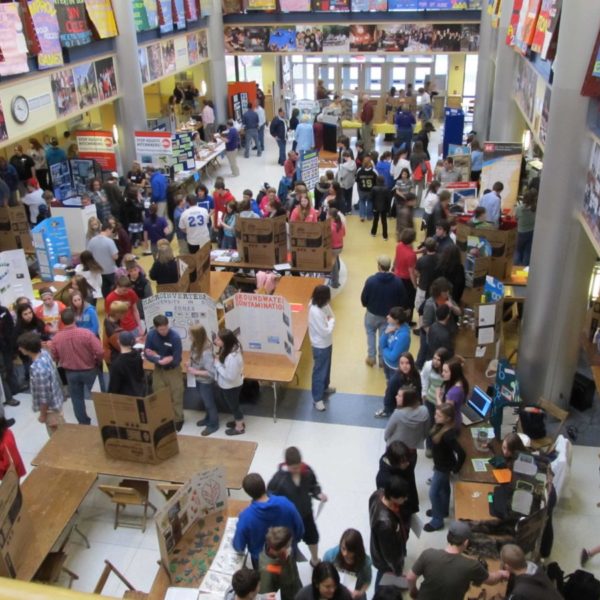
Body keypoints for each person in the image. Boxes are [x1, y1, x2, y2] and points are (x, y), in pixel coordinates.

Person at [406, 521, 508, 599]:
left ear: (448, 537)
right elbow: (491, 580)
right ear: (466, 542)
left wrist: (413, 592)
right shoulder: (471, 566)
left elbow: (410, 578)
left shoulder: (428, 554)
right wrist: (502, 573)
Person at [268, 446, 328, 567]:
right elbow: (270, 496)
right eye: (293, 468)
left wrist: (318, 494)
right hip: (288, 519)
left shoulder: (307, 472)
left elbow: (314, 486)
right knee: (288, 542)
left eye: (298, 466)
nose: (296, 470)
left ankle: (315, 560)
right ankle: (288, 562)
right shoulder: (279, 479)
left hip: (306, 514)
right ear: (287, 464)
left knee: (313, 537)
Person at [233, 473, 304, 569]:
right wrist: (293, 543)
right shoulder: (285, 503)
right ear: (265, 485)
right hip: (287, 553)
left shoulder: (246, 517)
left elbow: (239, 546)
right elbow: (300, 529)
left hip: (264, 564)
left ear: (248, 493)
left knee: (266, 581)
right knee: (288, 576)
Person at [50, 309, 103, 425]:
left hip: (70, 373)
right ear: (74, 319)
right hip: (90, 370)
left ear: (62, 321)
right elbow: (99, 351)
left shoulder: (56, 338)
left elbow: (53, 356)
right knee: (98, 397)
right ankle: (104, 419)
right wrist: (97, 361)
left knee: (77, 399)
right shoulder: (86, 333)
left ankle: (83, 423)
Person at [360, 256, 407, 368]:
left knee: (370, 333)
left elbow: (364, 298)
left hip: (372, 314)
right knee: (384, 337)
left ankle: (371, 357)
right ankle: (382, 360)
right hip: (388, 317)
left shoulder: (371, 280)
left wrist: (367, 305)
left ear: (379, 266)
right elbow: (403, 299)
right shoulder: (397, 282)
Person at [425, 403, 465, 531]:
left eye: (439, 415)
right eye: (436, 414)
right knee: (443, 489)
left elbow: (461, 453)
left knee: (433, 493)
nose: (435, 417)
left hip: (443, 467)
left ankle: (437, 520)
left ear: (448, 418)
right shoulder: (440, 426)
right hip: (440, 464)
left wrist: (456, 469)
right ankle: (442, 510)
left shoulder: (448, 435)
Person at [17, 332, 65, 436]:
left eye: (21, 347)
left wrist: (42, 415)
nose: (19, 349)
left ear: (27, 349)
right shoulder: (44, 354)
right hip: (57, 403)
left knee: (57, 438)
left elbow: (44, 397)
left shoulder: (38, 370)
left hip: (51, 411)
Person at [368, 476, 409, 590]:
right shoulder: (385, 524)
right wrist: (396, 569)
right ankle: (389, 588)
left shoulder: (377, 494)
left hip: (379, 548)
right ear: (392, 497)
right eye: (403, 497)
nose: (405, 499)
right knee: (385, 574)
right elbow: (390, 555)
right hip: (385, 560)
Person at [144, 315, 184, 431]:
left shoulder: (175, 337)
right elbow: (147, 353)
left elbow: (176, 358)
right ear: (156, 328)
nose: (164, 331)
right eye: (161, 329)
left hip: (173, 370)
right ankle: (164, 418)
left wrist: (158, 356)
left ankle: (178, 419)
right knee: (159, 394)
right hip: (159, 369)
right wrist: (160, 359)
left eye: (166, 328)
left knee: (176, 395)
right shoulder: (151, 335)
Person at [417, 277, 460, 369]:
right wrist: (435, 336)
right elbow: (426, 324)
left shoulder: (448, 299)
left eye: (448, 291)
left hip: (445, 333)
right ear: (438, 292)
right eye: (445, 292)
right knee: (424, 354)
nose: (447, 293)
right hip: (431, 335)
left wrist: (452, 307)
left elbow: (459, 312)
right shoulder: (430, 304)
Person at [375, 441, 419, 529]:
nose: (408, 463)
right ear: (394, 462)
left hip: (407, 506)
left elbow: (411, 484)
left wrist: (414, 506)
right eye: (404, 462)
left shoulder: (406, 465)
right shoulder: (384, 479)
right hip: (398, 513)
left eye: (408, 460)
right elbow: (387, 501)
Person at [308, 285, 335, 412]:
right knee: (319, 371)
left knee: (326, 368)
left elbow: (331, 315)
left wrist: (330, 321)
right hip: (320, 346)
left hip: (327, 343)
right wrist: (330, 323)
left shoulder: (323, 305)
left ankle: (325, 387)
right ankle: (317, 399)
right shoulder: (315, 312)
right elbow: (325, 331)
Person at [323, 530, 372, 599]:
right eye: (343, 548)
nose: (345, 553)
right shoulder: (330, 556)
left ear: (357, 550)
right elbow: (324, 574)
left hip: (354, 592)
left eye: (350, 550)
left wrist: (360, 592)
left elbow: (367, 580)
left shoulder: (365, 562)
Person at [187, 325, 217, 436]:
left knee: (209, 404)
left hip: (205, 382)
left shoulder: (206, 352)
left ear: (197, 336)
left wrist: (195, 372)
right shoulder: (195, 345)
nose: (189, 337)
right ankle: (208, 418)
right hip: (199, 380)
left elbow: (211, 373)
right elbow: (193, 357)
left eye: (191, 335)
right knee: (206, 402)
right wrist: (190, 363)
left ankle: (214, 424)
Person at [214, 328, 245, 436]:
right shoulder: (229, 348)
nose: (215, 341)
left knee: (234, 407)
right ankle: (238, 421)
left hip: (231, 386)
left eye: (218, 339)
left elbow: (230, 376)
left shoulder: (233, 357)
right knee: (234, 405)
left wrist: (217, 364)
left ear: (226, 341)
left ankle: (239, 427)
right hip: (230, 385)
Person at [259, 527, 302, 600]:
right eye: (288, 546)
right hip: (287, 594)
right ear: (275, 549)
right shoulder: (267, 569)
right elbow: (268, 594)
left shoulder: (284, 550)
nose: (290, 547)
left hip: (296, 585)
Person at [377, 352, 421, 418]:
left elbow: (419, 392)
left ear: (411, 363)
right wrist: (391, 413)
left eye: (407, 363)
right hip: (399, 411)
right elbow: (388, 398)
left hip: (412, 408)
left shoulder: (416, 375)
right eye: (402, 363)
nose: (404, 366)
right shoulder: (395, 380)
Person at [384, 386, 429, 452]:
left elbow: (387, 434)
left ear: (407, 399)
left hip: (395, 448)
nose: (396, 397)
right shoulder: (424, 411)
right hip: (412, 448)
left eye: (399, 396)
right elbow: (426, 431)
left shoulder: (397, 414)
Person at [87, 221, 119, 298]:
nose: (111, 233)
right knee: (115, 287)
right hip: (110, 270)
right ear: (108, 229)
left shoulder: (92, 240)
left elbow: (88, 254)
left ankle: (107, 302)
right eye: (111, 231)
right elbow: (115, 257)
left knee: (104, 289)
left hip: (98, 270)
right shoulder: (109, 241)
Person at [108, 331, 145, 397]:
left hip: (126, 397)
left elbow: (114, 386)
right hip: (139, 392)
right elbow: (141, 374)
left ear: (118, 342)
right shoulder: (137, 355)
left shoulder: (117, 363)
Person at [379, 307, 410, 382]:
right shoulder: (391, 325)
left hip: (395, 368)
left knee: (393, 387)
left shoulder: (403, 336)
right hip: (387, 362)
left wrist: (384, 350)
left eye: (390, 316)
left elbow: (393, 356)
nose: (387, 316)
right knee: (388, 381)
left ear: (396, 320)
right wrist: (386, 333)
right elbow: (381, 343)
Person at [438, 356, 469, 431]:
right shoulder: (462, 382)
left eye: (446, 371)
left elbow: (446, 412)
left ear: (454, 373)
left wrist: (437, 396)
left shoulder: (453, 392)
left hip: (451, 424)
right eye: (443, 371)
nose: (442, 373)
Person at [393, 229, 417, 321]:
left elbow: (397, 257)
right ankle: (407, 320)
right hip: (407, 281)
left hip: (397, 276)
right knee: (409, 302)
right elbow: (411, 272)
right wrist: (415, 286)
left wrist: (393, 267)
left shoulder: (399, 246)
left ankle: (398, 317)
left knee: (399, 299)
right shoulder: (411, 255)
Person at [515, 188, 537, 266]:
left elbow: (516, 218)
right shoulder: (535, 209)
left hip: (521, 232)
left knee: (518, 251)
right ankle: (524, 267)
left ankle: (517, 266)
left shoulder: (519, 208)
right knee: (527, 252)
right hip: (531, 232)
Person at [102, 300, 128, 366]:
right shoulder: (112, 331)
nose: (125, 314)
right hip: (113, 358)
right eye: (123, 313)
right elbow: (121, 347)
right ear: (117, 314)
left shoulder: (110, 319)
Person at [355, 157, 377, 222]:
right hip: (371, 190)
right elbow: (377, 180)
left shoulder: (359, 170)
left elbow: (357, 180)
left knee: (362, 202)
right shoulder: (374, 171)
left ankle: (362, 216)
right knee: (370, 202)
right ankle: (369, 216)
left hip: (362, 190)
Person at [370, 176, 392, 240]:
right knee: (384, 221)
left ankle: (373, 233)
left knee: (375, 220)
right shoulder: (387, 189)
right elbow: (389, 199)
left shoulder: (374, 188)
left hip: (375, 207)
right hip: (384, 208)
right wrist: (388, 209)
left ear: (377, 181)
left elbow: (371, 198)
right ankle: (385, 236)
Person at [329, 208, 345, 289]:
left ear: (331, 216)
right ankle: (338, 271)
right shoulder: (340, 224)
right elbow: (344, 234)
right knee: (336, 258)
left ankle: (335, 283)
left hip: (333, 248)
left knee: (333, 266)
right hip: (340, 246)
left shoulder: (331, 226)